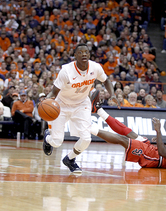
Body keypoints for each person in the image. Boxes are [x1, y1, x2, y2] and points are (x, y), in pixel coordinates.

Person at [43, 43, 117, 173]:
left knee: (86, 139)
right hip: (62, 105)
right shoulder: (66, 71)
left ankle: (70, 159)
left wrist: (112, 95)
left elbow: (106, 81)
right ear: (75, 56)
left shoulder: (96, 67)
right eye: (80, 52)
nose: (84, 54)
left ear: (89, 54)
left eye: (86, 52)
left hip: (81, 104)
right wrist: (46, 100)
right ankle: (48, 137)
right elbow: (54, 92)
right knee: (57, 142)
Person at [90, 105, 166, 169]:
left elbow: (164, 154)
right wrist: (159, 141)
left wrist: (158, 131)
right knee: (128, 132)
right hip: (155, 153)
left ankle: (88, 128)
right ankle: (99, 110)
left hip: (153, 159)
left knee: (123, 140)